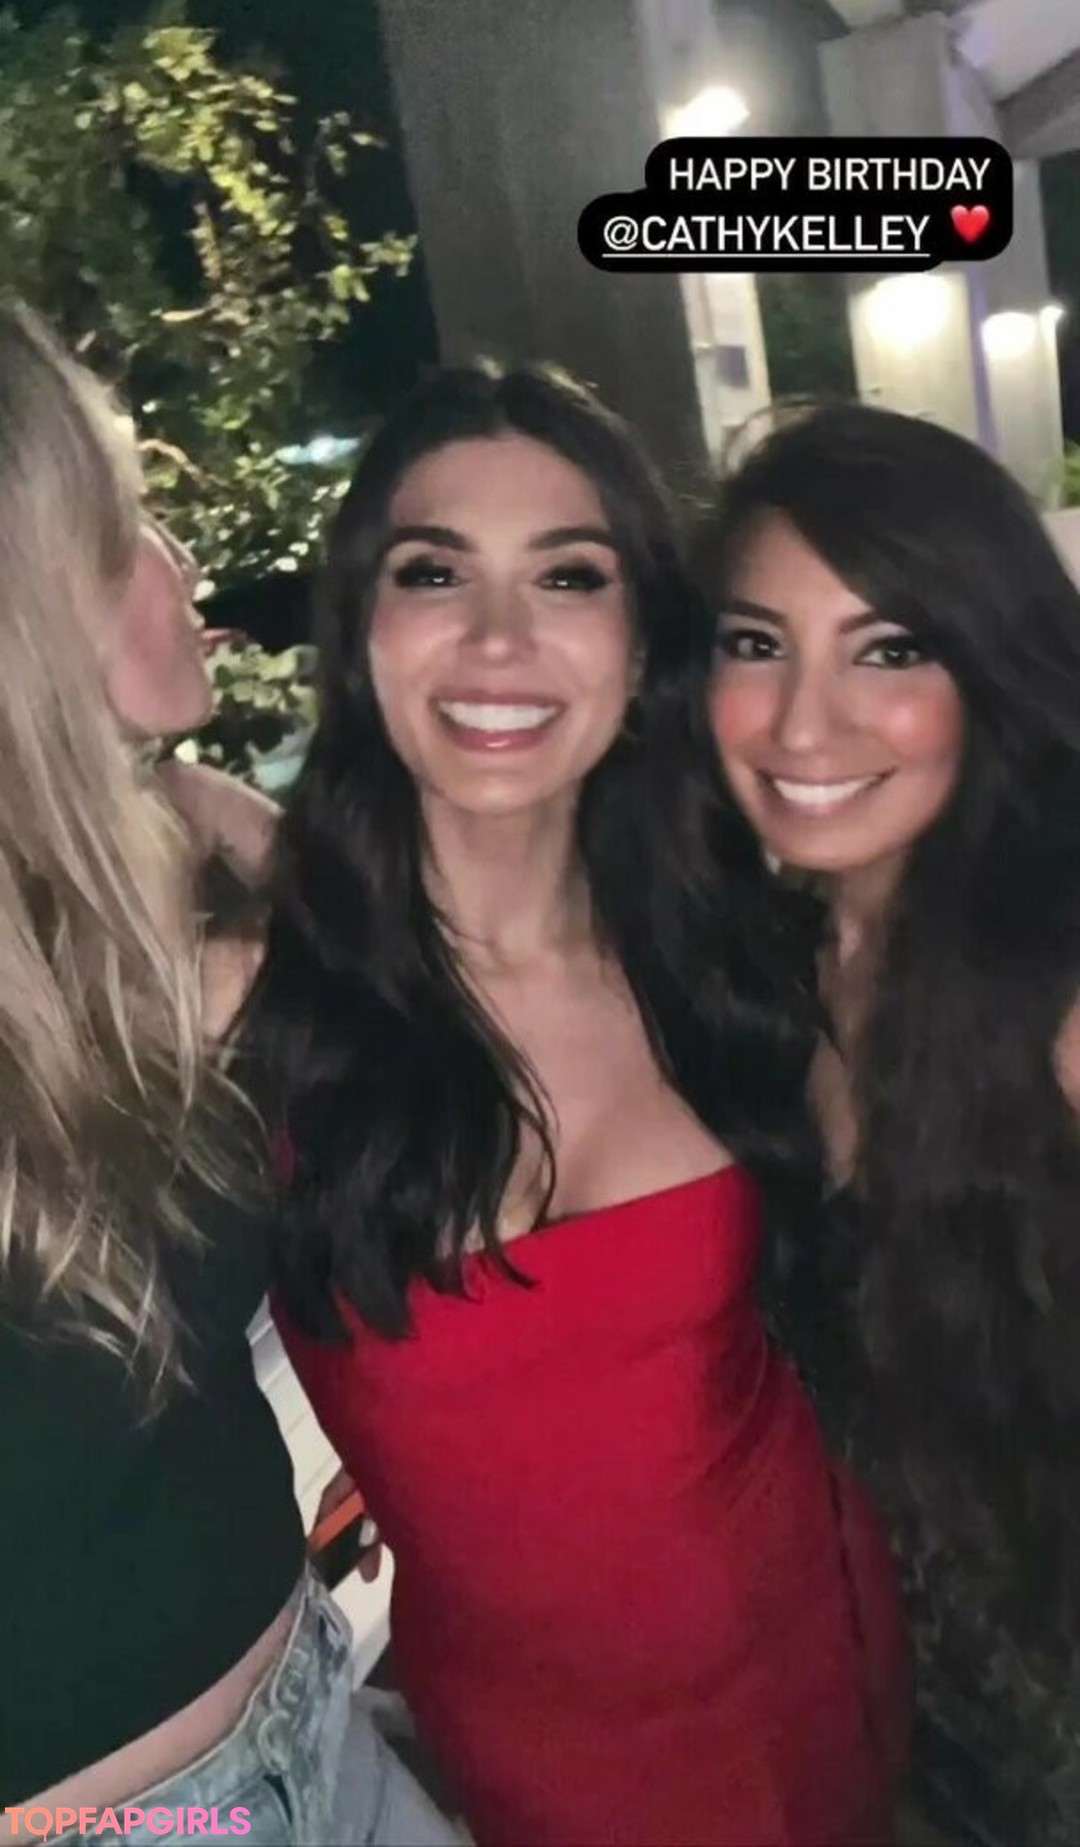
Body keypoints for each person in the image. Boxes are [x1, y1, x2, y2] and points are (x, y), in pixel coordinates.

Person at [242, 361, 911, 1847]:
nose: (499, 637)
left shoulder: (731, 952)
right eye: (434, 572)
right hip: (545, 1767)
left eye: (568, 575)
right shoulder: (245, 1001)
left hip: (825, 1662)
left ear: (641, 638)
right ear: (359, 625)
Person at [0, 299, 460, 1847]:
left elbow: (436, 1019)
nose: (183, 561)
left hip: (320, 1721)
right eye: (130, 520)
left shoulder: (125, 911)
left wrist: (237, 836)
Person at [703, 400, 1080, 1847]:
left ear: (993, 665)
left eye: (890, 649)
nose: (806, 723)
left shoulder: (1058, 988)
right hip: (927, 1759)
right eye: (756, 645)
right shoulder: (769, 973)